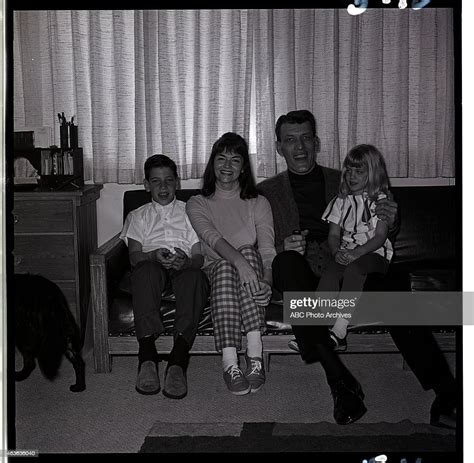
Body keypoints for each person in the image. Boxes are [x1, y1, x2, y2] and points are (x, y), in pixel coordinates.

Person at [258, 109, 456, 428]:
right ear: (278, 147)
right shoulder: (264, 193)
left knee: (394, 289)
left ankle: (446, 395)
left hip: (354, 268)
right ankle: (339, 381)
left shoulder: (349, 177)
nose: (300, 147)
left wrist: (390, 221)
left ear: (317, 142)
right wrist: (281, 247)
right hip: (305, 276)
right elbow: (257, 245)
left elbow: (379, 229)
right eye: (290, 140)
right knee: (285, 263)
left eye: (306, 137)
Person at [186, 132, 276, 396]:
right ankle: (230, 362)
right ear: (212, 163)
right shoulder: (197, 203)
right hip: (216, 270)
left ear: (243, 167)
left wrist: (267, 282)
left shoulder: (259, 202)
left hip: (252, 267)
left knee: (249, 251)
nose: (227, 166)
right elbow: (212, 239)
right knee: (228, 264)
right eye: (221, 158)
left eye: (235, 160)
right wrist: (239, 263)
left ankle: (254, 356)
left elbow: (267, 248)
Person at [120, 154, 209, 399]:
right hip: (151, 264)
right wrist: (152, 257)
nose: (163, 187)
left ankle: (177, 362)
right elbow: (134, 256)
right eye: (156, 181)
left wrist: (187, 261)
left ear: (177, 183)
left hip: (183, 266)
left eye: (169, 180)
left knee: (195, 277)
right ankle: (147, 357)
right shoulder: (138, 216)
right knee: (145, 271)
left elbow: (199, 256)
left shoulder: (191, 212)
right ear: (146, 185)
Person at [319, 144, 393, 350]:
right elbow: (333, 234)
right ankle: (315, 329)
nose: (352, 176)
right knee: (330, 274)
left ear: (373, 174)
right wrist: (337, 252)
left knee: (355, 269)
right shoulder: (340, 201)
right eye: (349, 170)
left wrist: (356, 254)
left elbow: (379, 236)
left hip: (375, 254)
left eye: (359, 171)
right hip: (347, 250)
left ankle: (340, 330)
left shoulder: (381, 201)